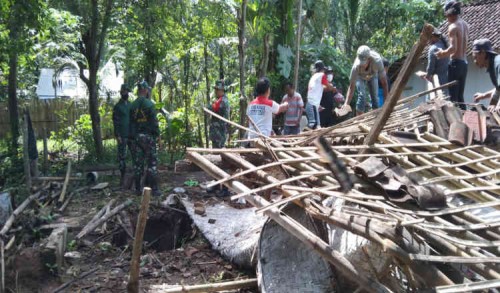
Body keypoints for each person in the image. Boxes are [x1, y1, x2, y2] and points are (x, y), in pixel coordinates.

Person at [129, 80, 161, 196]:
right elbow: (154, 122)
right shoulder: (150, 104)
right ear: (146, 90)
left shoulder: (132, 105)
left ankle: (137, 189)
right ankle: (155, 189)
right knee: (152, 163)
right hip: (148, 137)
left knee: (138, 164)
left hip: (136, 138)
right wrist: (157, 135)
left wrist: (131, 137)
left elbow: (131, 123)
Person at [436, 0, 469, 109]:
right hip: (464, 63)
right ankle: (465, 120)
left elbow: (453, 48)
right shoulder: (465, 24)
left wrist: (442, 53)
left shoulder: (453, 27)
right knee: (460, 96)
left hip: (455, 64)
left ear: (449, 13)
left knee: (453, 97)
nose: (446, 19)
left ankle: (456, 122)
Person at [341, 45, 389, 116]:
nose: (362, 65)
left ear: (369, 59)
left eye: (364, 62)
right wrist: (346, 104)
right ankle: (359, 119)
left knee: (375, 97)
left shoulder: (377, 61)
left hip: (373, 74)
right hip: (360, 76)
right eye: (361, 62)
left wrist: (386, 103)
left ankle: (375, 117)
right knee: (362, 95)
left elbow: (384, 83)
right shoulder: (355, 67)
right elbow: (351, 86)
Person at [113, 84, 134, 186]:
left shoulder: (131, 105)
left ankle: (135, 178)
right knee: (122, 157)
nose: (126, 94)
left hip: (131, 135)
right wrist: (117, 135)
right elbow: (115, 122)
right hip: (122, 135)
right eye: (125, 92)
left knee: (135, 155)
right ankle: (122, 177)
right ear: (121, 92)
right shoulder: (118, 107)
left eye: (127, 92)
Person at [471, 39, 500, 113]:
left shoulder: (498, 63)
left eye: (475, 58)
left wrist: (498, 106)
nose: (475, 62)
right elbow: (498, 90)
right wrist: (483, 95)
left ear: (483, 53)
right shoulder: (492, 67)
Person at [306, 60, 335, 129]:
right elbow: (328, 86)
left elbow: (321, 87)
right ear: (322, 69)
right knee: (313, 124)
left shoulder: (314, 77)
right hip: (312, 104)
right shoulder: (321, 75)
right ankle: (303, 135)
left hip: (312, 104)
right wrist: (333, 88)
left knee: (318, 126)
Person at [208, 80, 230, 148]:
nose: (216, 91)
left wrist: (208, 107)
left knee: (218, 152)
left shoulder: (222, 101)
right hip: (217, 132)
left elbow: (211, 108)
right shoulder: (219, 100)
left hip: (219, 132)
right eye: (215, 89)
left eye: (217, 89)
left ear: (222, 90)